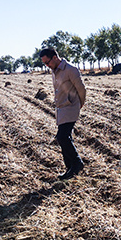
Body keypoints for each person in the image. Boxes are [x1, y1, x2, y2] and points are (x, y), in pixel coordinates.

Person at [40, 47, 86, 180]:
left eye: (47, 62)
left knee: (62, 137)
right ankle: (70, 168)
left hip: (71, 107)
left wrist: (80, 103)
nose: (47, 66)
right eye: (45, 64)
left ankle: (77, 163)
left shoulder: (70, 70)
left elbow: (81, 89)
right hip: (61, 109)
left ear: (55, 57)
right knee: (65, 138)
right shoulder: (54, 71)